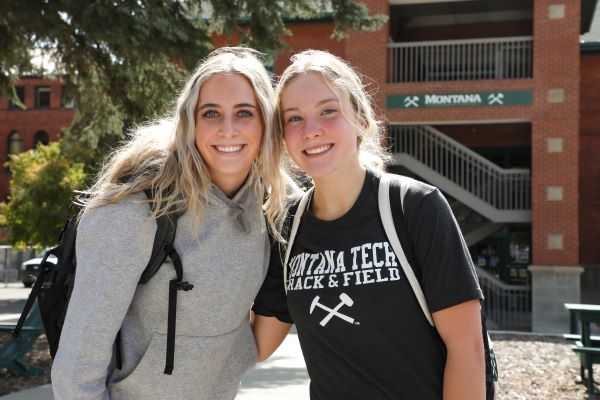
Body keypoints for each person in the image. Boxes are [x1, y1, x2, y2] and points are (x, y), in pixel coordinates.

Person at [51, 47, 290, 400]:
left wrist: (236, 358)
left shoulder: (273, 202)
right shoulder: (138, 206)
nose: (228, 129)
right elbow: (77, 366)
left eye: (244, 113)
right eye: (211, 113)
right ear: (190, 122)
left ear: (266, 123)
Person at [252, 50, 486, 400]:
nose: (311, 130)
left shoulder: (415, 207)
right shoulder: (287, 226)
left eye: (328, 111)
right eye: (294, 118)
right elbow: (254, 346)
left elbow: (467, 350)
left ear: (360, 120)